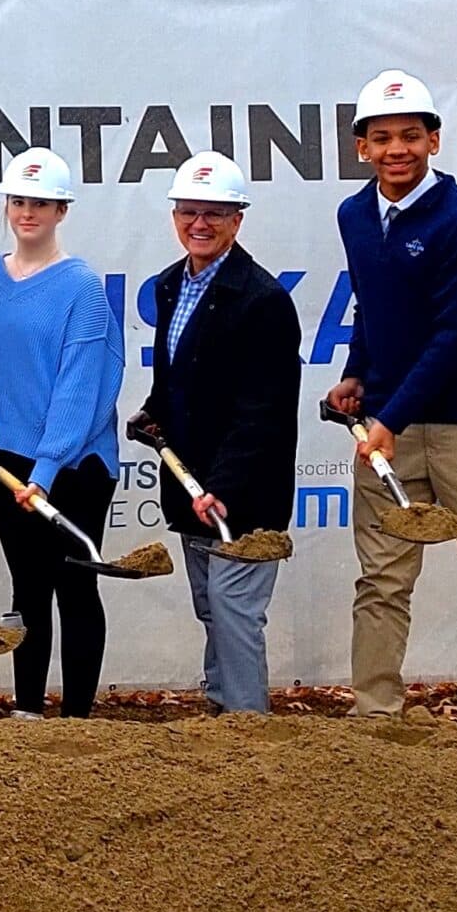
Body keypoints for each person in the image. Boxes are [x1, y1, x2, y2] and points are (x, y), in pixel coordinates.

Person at [329, 70, 457, 747]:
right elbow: (371, 303)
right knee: (382, 582)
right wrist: (357, 373)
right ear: (361, 147)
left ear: (434, 141)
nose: (398, 149)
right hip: (391, 423)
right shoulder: (355, 216)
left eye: (411, 136)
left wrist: (389, 419)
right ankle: (375, 721)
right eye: (383, 137)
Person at [135, 154, 300, 716]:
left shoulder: (264, 302)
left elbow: (264, 410)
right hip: (192, 486)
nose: (198, 224)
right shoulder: (168, 287)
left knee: (235, 612)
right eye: (188, 212)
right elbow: (180, 379)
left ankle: (248, 730)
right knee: (212, 607)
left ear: (237, 220)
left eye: (214, 213)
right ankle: (223, 712)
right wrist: (155, 413)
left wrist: (222, 485)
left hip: (241, 496)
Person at [0, 147, 123, 720]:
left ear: (62, 210)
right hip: (8, 460)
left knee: (75, 586)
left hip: (73, 467)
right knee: (28, 589)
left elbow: (81, 386)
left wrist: (47, 471)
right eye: (18, 201)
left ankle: (78, 718)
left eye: (40, 203)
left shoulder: (82, 287)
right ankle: (28, 709)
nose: (27, 212)